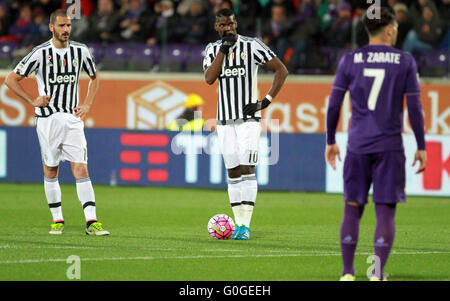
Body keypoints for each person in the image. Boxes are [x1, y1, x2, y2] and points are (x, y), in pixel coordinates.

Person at [325, 6, 426, 281]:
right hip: (389, 146)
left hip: (357, 144)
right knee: (385, 211)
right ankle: (377, 272)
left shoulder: (349, 60)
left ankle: (347, 272)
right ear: (391, 28)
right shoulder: (405, 61)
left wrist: (331, 140)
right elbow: (415, 108)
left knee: (352, 207)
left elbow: (334, 104)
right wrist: (421, 145)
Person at [5, 9, 109, 236]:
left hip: (72, 119)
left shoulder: (80, 51)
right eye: (61, 26)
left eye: (68, 26)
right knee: (51, 169)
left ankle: (92, 222)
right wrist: (33, 99)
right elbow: (11, 79)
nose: (66, 30)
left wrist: (88, 103)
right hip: (47, 120)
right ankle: (57, 219)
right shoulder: (40, 53)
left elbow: (95, 76)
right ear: (52, 27)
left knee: (80, 167)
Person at [203, 8, 288, 240]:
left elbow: (281, 70)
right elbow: (210, 78)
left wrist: (266, 101)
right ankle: (238, 223)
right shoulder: (212, 50)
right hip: (223, 120)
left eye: (230, 24)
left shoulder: (253, 45)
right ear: (216, 27)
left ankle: (243, 226)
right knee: (232, 171)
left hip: (248, 119)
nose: (227, 28)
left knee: (247, 168)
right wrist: (223, 49)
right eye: (222, 25)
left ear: (236, 23)